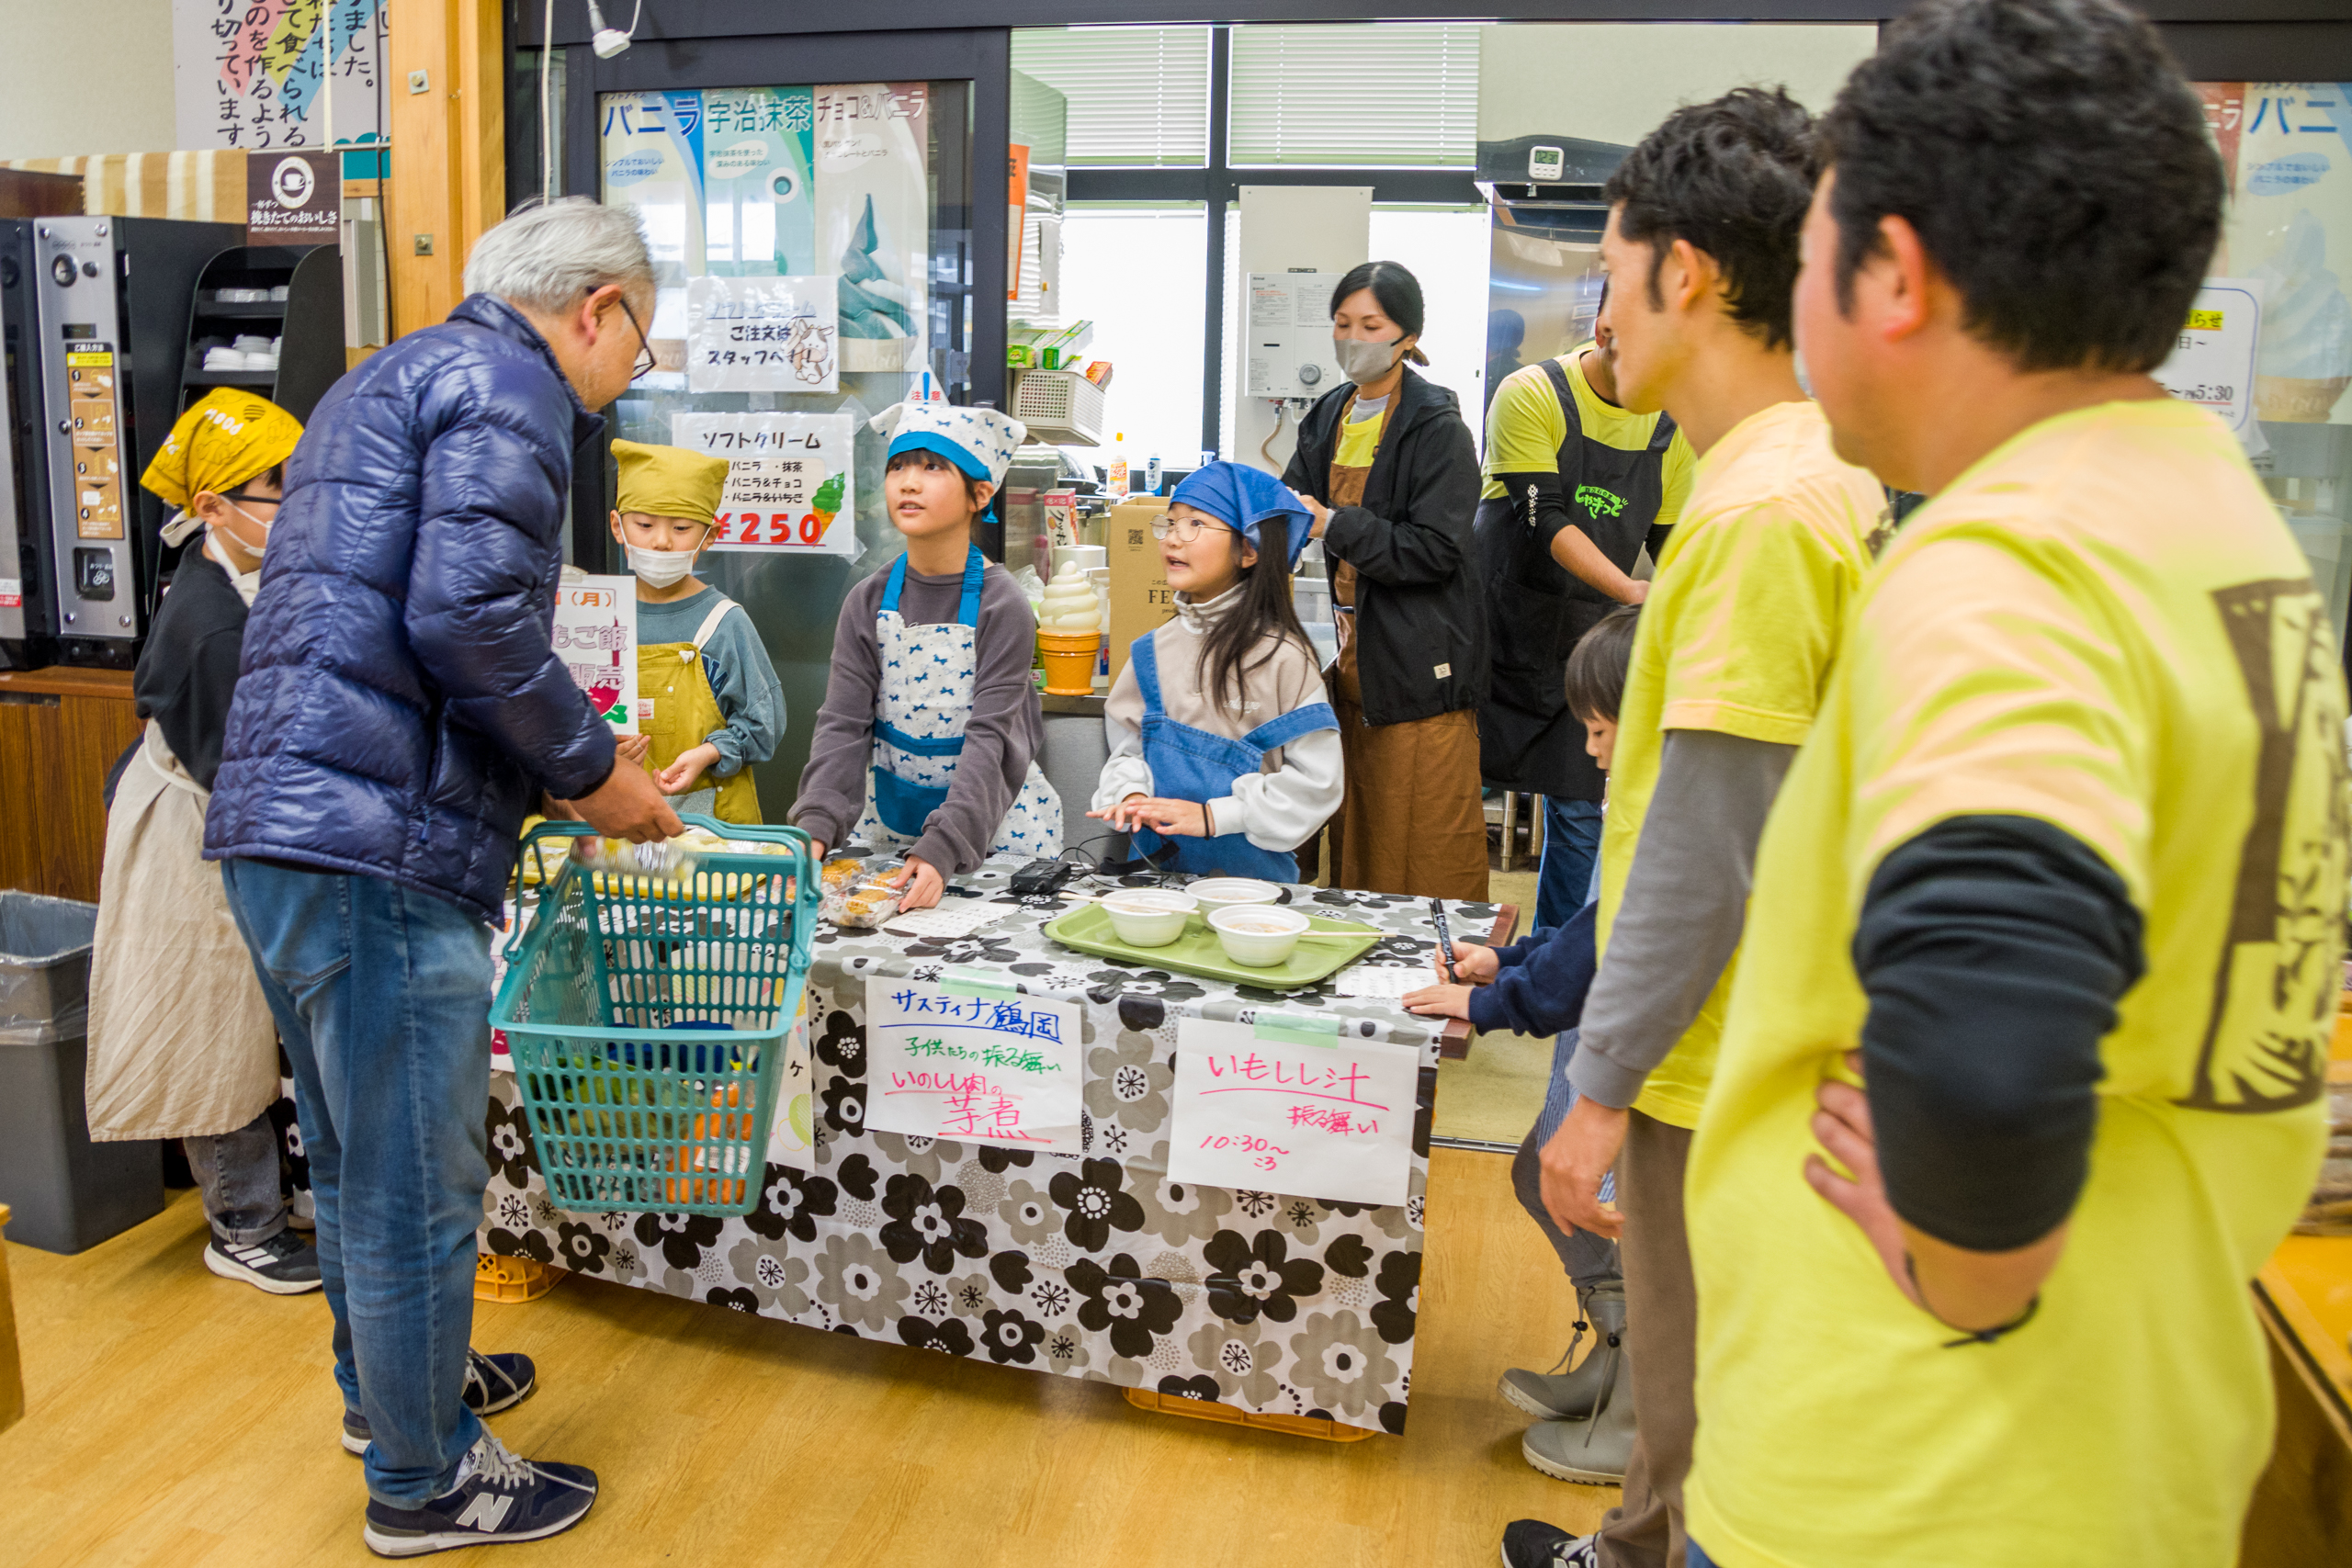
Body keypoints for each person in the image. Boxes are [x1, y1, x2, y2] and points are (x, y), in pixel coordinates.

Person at [1681, 6, 2345, 1566]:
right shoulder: (2214, 520)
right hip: (2127, 1442)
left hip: (1917, 1475)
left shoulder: (2011, 563)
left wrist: (1968, 1265)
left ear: (1896, 275)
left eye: (1814, 249)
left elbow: (1988, 1040)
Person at [206, 197, 680, 1556]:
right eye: (639, 344)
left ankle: (390, 1401)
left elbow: (403, 617)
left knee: (356, 1160)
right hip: (381, 845)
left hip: (285, 823)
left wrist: (562, 757)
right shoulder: (511, 387)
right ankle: (425, 1482)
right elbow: (468, 618)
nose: (627, 371)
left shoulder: (390, 374)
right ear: (596, 309)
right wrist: (591, 773)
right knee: (415, 1178)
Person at [1501, 88, 1886, 1568]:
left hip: (1722, 1049)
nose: (1596, 313)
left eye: (1609, 272)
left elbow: (1706, 831)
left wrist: (1598, 1085)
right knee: (1688, 1389)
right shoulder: (1789, 471)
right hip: (1738, 1031)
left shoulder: (1761, 511)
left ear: (1689, 274)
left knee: (1708, 1393)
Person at [84, 389, 317, 1295]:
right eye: (279, 492)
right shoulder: (208, 622)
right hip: (191, 827)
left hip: (225, 803)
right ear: (213, 506)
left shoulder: (243, 574)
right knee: (209, 1024)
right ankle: (244, 1226)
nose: (297, 506)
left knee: (251, 1022)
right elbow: (243, 768)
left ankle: (273, 1200)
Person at [1408, 607, 1633, 1473]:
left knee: (1625, 1214)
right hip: (1593, 1032)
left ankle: (1641, 1405)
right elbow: (1586, 925)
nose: (1593, 751)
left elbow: (1614, 936)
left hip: (1639, 1053)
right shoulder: (1640, 796)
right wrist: (1506, 960)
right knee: (1542, 1173)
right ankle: (1617, 1348)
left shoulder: (1678, 807)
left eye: (1603, 731)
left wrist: (1496, 1001)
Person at [1477, 294, 1695, 926]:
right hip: (1495, 633)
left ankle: (1554, 953)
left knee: (1577, 811)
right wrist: (1630, 590)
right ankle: (1453, 946)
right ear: (1604, 331)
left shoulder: (1671, 430)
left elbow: (1674, 546)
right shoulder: (1531, 393)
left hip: (1582, 647)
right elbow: (1544, 517)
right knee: (1453, 796)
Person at [790, 403, 1060, 909]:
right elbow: (842, 725)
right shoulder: (868, 599)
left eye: (933, 466)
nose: (908, 483)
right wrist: (815, 828)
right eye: (898, 466)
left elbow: (993, 738)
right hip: (887, 828)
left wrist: (946, 844)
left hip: (990, 831)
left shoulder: (1003, 605)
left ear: (981, 494)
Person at [1283, 260, 1487, 900]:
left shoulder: (1438, 428)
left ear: (1407, 336)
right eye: (1342, 323)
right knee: (1359, 830)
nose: (1354, 339)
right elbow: (1291, 500)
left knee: (1419, 841)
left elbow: (1435, 550)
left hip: (1419, 665)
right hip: (1355, 657)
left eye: (1371, 326)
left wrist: (1333, 525)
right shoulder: (1330, 414)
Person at [1087, 462, 1340, 880]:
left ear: (1249, 550)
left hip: (1254, 892)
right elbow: (1129, 750)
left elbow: (1316, 786)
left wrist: (1213, 817)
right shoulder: (1151, 652)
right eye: (1170, 523)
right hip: (1155, 883)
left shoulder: (1284, 659)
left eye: (1195, 524)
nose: (1172, 538)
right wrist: (1130, 794)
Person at [606, 438, 786, 823]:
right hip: (616, 823)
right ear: (617, 526)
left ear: (710, 536)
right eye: (644, 524)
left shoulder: (724, 622)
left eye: (682, 527)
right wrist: (598, 752)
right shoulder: (600, 617)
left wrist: (709, 752)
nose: (661, 541)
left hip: (715, 828)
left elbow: (764, 724)